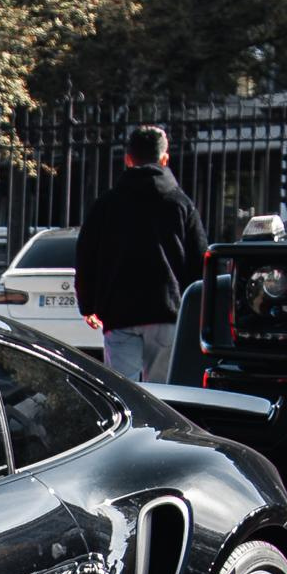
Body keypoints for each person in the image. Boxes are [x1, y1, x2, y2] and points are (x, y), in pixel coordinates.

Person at [75, 125, 206, 384]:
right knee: (162, 393)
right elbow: (199, 260)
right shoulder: (180, 204)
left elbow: (86, 256)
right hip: (166, 311)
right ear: (165, 159)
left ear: (128, 159)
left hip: (119, 313)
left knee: (123, 389)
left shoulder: (107, 204)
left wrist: (88, 305)